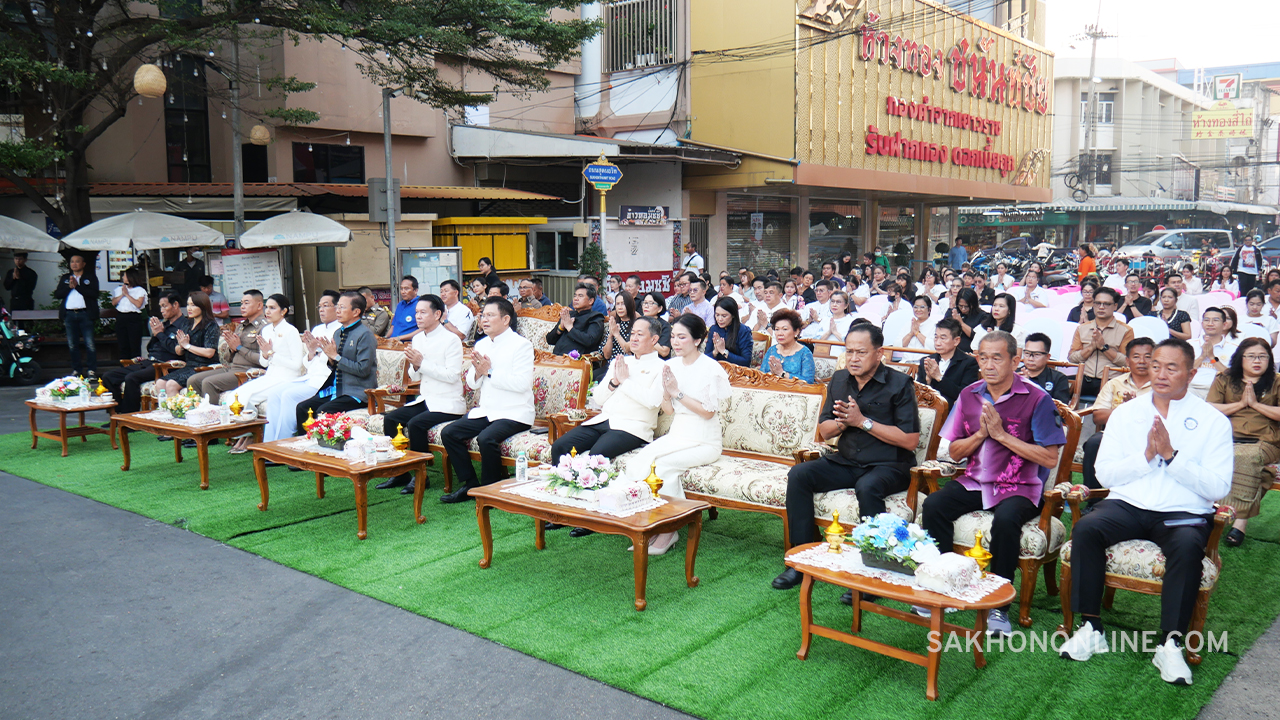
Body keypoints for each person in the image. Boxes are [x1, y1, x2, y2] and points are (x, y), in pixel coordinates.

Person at [1060, 339, 1232, 686]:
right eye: (1155, 365)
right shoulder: (1127, 413)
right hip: (1128, 504)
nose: (1161, 374)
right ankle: (1091, 626)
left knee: (1188, 547)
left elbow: (1217, 487)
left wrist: (1171, 456)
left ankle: (1170, 644)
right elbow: (1105, 474)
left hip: (1181, 511)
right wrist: (1146, 457)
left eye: (1172, 367)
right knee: (1087, 529)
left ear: (1191, 374)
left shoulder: (1213, 421)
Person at [919, 331, 1066, 637]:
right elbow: (954, 452)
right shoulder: (969, 395)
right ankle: (945, 583)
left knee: (1007, 519)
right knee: (934, 505)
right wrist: (980, 435)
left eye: (997, 358)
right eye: (983, 357)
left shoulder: (1037, 398)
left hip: (1021, 486)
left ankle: (999, 604)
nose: (988, 365)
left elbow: (1050, 458)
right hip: (976, 480)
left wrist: (1001, 436)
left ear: (1015, 360)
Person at [772, 322, 920, 592]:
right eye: (849, 351)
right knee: (800, 474)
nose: (853, 358)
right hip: (848, 460)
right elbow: (826, 430)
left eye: (861, 352)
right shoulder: (840, 380)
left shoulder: (899, 384)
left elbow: (910, 440)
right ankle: (801, 560)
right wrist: (845, 422)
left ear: (879, 353)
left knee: (868, 486)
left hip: (889, 464)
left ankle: (872, 573)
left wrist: (862, 422)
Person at [547, 317, 667, 537]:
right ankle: (563, 510)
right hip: (604, 419)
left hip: (633, 426)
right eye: (633, 333)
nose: (634, 338)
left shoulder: (662, 367)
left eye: (640, 334)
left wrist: (625, 381)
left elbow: (652, 401)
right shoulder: (621, 361)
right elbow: (600, 398)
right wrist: (614, 382)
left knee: (596, 456)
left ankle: (591, 518)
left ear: (654, 339)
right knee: (560, 447)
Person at [623, 315, 730, 555]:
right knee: (639, 462)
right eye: (673, 337)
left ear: (698, 340)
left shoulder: (710, 368)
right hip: (678, 434)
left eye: (682, 337)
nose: (675, 342)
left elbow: (707, 413)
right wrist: (667, 394)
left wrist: (677, 392)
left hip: (704, 440)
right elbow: (669, 411)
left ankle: (669, 529)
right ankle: (649, 524)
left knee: (662, 467)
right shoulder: (671, 365)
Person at [440, 297, 535, 503]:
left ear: (506, 319)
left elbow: (522, 384)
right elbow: (472, 383)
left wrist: (489, 372)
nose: (484, 319)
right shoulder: (482, 344)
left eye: (490, 315)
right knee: (450, 433)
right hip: (488, 410)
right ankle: (470, 484)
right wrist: (479, 372)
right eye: (483, 315)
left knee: (486, 438)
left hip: (515, 412)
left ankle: (490, 491)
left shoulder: (521, 345)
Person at [374, 294, 467, 494]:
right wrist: (416, 365)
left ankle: (421, 476)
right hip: (426, 399)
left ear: (438, 314)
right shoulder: (417, 338)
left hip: (447, 402)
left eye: (423, 312)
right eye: (417, 312)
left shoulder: (451, 340)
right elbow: (414, 375)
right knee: (391, 419)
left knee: (416, 424)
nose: (418, 316)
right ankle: (399, 472)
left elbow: (452, 376)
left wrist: (421, 363)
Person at [1207, 338, 1280, 547]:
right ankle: (1219, 515)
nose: (1257, 361)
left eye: (1262, 356)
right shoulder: (1225, 379)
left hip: (1266, 440)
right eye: (1251, 356)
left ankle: (1237, 520)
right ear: (1240, 358)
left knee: (1244, 457)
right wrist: (1240, 404)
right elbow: (1210, 408)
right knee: (1215, 456)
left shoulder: (1276, 381)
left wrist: (1255, 405)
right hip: (1227, 437)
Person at [227, 294, 305, 453]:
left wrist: (271, 354)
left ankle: (252, 435)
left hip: (287, 378)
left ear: (283, 311)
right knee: (236, 396)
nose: (267, 311)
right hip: (270, 375)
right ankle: (247, 434)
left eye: (272, 308)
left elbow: (297, 366)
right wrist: (265, 354)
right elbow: (264, 363)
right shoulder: (266, 330)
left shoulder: (291, 331)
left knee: (248, 397)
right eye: (267, 307)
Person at [262, 290, 342, 443]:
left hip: (324, 381)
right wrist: (311, 352)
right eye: (319, 307)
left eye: (326, 306)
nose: (321, 310)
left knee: (288, 395)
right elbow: (307, 362)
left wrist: (322, 352)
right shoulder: (317, 329)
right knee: (274, 394)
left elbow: (333, 361)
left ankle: (284, 442)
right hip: (310, 376)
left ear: (337, 308)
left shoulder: (340, 331)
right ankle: (269, 442)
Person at [294, 291, 378, 433]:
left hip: (357, 392)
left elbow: (363, 370)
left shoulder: (365, 335)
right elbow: (335, 365)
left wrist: (336, 357)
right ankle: (306, 444)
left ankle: (326, 445)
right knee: (303, 408)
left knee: (323, 411)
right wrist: (331, 358)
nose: (337, 311)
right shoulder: (338, 333)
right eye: (337, 307)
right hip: (337, 389)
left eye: (342, 308)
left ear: (356, 312)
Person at [1080, 338, 1156, 495]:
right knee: (1093, 443)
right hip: (1117, 434)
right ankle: (1093, 498)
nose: (1142, 361)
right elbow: (1098, 416)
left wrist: (1135, 409)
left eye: (1147, 357)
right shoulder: (1114, 384)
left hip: (1150, 435)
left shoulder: (1161, 385)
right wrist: (1124, 409)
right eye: (1136, 357)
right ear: (1127, 361)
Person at [101, 292, 185, 415]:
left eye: (164, 306)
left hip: (165, 365)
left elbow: (176, 350)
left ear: (175, 305)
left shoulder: (184, 326)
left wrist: (160, 334)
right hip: (149, 362)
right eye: (160, 307)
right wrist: (156, 335)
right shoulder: (163, 325)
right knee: (108, 376)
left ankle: (129, 416)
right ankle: (117, 414)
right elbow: (150, 348)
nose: (161, 310)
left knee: (131, 378)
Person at [184, 290, 268, 405]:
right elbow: (228, 358)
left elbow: (264, 361)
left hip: (247, 372)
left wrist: (239, 347)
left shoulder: (265, 328)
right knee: (193, 380)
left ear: (259, 305)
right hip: (231, 368)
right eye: (241, 303)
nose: (242, 307)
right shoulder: (240, 327)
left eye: (246, 303)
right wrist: (232, 348)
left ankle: (212, 414)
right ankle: (195, 413)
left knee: (208, 383)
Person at [1069, 287, 1134, 399]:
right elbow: (1072, 357)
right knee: (1057, 386)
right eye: (1098, 303)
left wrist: (1104, 348)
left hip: (1112, 381)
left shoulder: (1126, 330)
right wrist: (1091, 348)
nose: (1101, 307)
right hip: (1085, 378)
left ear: (1115, 306)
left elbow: (1127, 362)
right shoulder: (1082, 328)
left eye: (1106, 304)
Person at [157, 291, 221, 397]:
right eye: (188, 305)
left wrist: (188, 346)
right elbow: (179, 351)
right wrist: (181, 346)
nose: (189, 308)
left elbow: (209, 352)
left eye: (193, 305)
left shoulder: (211, 325)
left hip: (204, 367)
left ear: (203, 306)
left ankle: (178, 408)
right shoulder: (187, 324)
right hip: (189, 365)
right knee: (160, 383)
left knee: (171, 384)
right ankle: (166, 408)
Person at [55, 252, 100, 377]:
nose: (74, 264)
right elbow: (58, 294)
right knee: (72, 344)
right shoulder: (65, 277)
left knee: (89, 344)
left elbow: (94, 294)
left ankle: (91, 369)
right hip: (69, 314)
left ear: (83, 264)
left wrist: (77, 286)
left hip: (85, 314)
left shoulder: (90, 277)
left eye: (77, 261)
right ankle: (77, 369)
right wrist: (69, 287)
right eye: (72, 262)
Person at [916, 318, 980, 406]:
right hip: (927, 409)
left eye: (943, 338)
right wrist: (928, 381)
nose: (937, 343)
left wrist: (939, 377)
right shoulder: (926, 361)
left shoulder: (968, 363)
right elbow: (917, 394)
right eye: (936, 337)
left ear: (956, 341)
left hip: (953, 410)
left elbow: (965, 395)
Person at [1191, 306, 1240, 398]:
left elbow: (1232, 376)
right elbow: (1184, 371)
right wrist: (1202, 357)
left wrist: (1212, 358)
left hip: (1219, 390)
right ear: (1202, 323)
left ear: (1224, 324)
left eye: (1215, 320)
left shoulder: (1234, 348)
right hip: (1191, 389)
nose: (1210, 324)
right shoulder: (1190, 344)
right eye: (1206, 320)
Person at [546, 283, 605, 358]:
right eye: (575, 296)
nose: (575, 299)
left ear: (591, 301)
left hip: (576, 361)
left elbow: (590, 341)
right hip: (556, 359)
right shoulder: (568, 315)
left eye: (580, 296)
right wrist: (560, 328)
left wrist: (570, 328)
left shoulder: (595, 317)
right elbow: (549, 340)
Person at [761, 309, 815, 383]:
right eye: (777, 329)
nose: (780, 333)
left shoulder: (805, 353)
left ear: (796, 331)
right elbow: (761, 376)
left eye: (785, 329)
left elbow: (808, 382)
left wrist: (782, 373)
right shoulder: (771, 350)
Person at [1020, 332, 1072, 404]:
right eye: (1027, 353)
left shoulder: (1058, 379)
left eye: (1037, 354)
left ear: (1047, 357)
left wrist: (1028, 385)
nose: (1030, 359)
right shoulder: (1014, 374)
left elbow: (1059, 407)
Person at [112, 267, 148, 360]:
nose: (123, 277)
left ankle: (135, 365)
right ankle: (124, 364)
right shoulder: (119, 289)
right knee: (123, 344)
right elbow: (114, 302)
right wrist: (122, 294)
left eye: (124, 276)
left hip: (133, 317)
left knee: (134, 344)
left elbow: (138, 304)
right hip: (121, 317)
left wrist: (127, 294)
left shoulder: (140, 290)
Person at [602, 291, 638, 364]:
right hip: (612, 364)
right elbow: (606, 356)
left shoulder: (636, 325)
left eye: (623, 304)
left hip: (628, 364)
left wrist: (616, 334)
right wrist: (611, 335)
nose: (620, 307)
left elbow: (629, 351)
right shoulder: (614, 324)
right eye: (617, 304)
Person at [948, 287, 986, 355]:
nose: (963, 309)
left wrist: (961, 323)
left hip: (970, 353)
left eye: (966, 306)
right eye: (960, 306)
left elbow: (977, 336)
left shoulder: (982, 316)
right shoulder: (953, 312)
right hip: (952, 351)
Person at [388, 275, 421, 341]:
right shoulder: (400, 305)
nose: (403, 292)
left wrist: (399, 338)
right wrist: (385, 338)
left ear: (415, 290)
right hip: (393, 343)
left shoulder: (421, 304)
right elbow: (393, 326)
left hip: (409, 344)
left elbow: (423, 329)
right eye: (401, 289)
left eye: (406, 289)